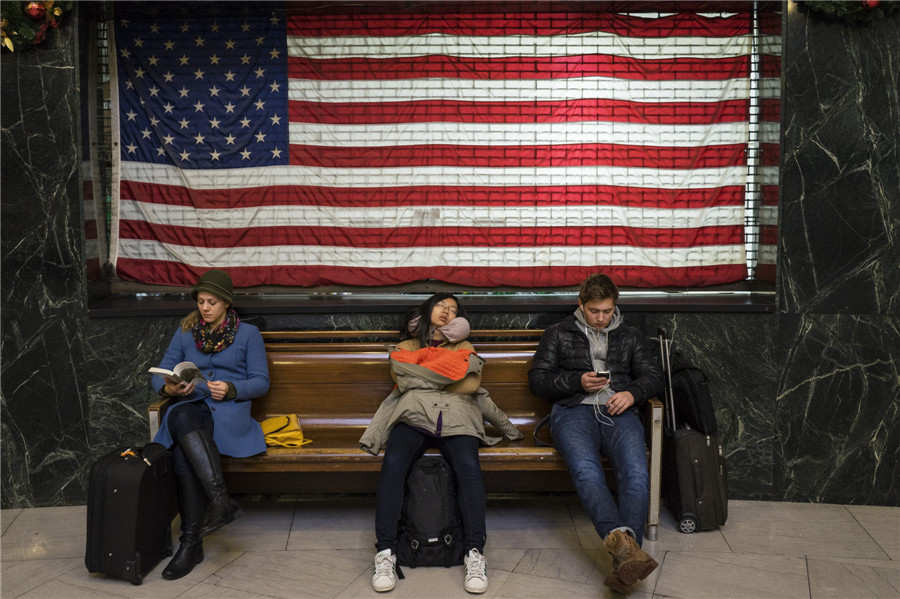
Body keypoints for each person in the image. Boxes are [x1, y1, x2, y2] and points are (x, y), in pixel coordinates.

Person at [359, 293, 522, 594]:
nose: (447, 311)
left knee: (469, 470)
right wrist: (449, 373)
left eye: (453, 309)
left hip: (459, 418)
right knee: (393, 465)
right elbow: (403, 377)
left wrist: (424, 370)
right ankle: (385, 552)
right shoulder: (406, 346)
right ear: (427, 310)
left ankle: (474, 553)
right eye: (441, 306)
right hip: (413, 416)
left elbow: (471, 384)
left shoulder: (464, 346)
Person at [528, 273, 663, 594]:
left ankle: (625, 557)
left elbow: (653, 376)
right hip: (573, 412)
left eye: (606, 311)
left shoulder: (630, 335)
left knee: (635, 472)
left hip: (618, 411)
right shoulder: (558, 333)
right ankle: (628, 553)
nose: (601, 318)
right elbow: (538, 381)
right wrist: (577, 382)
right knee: (587, 471)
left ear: (614, 306)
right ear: (581, 304)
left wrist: (632, 394)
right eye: (594, 311)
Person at [150, 269, 269, 580]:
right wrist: (169, 388)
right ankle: (219, 503)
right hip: (191, 406)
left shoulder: (248, 334)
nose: (204, 307)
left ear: (226, 303)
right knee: (180, 414)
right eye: (201, 301)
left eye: (211, 302)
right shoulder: (185, 332)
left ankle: (191, 544)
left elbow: (261, 383)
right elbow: (157, 374)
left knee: (183, 450)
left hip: (227, 413)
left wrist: (232, 388)